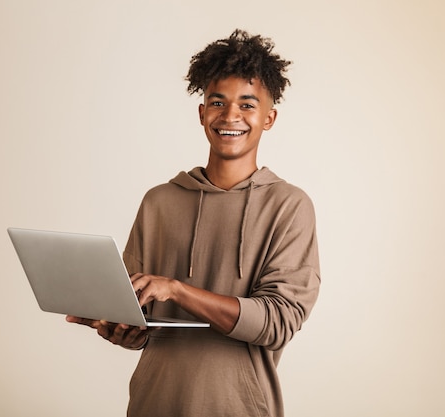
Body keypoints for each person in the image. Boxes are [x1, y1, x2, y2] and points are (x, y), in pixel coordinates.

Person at [67, 29, 321, 417]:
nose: (230, 115)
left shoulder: (288, 206)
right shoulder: (159, 201)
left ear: (269, 118)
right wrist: (122, 330)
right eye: (217, 102)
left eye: (247, 105)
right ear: (202, 113)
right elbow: (140, 317)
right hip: (152, 405)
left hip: (238, 409)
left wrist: (178, 290)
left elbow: (277, 322)